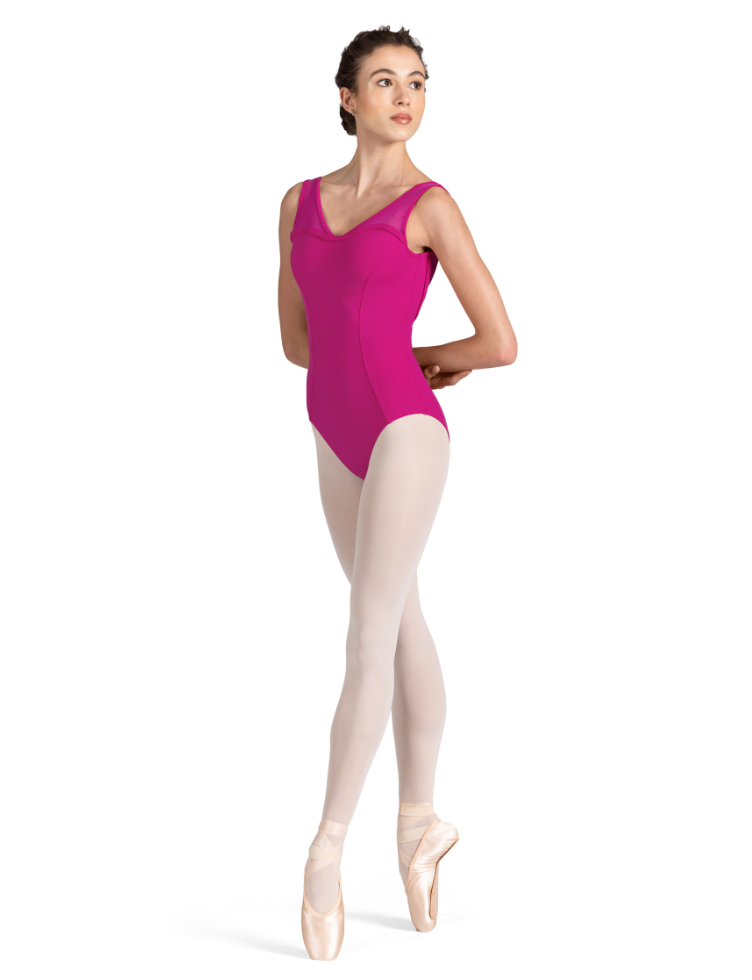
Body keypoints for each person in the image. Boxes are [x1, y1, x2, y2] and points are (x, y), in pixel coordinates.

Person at [277, 25, 517, 960]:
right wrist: (370, 354)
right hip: (332, 427)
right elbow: (297, 342)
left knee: (369, 628)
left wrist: (422, 361)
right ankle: (421, 824)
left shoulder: (431, 205)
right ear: (346, 98)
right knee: (400, 618)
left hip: (405, 426)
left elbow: (500, 341)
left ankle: (326, 849)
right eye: (384, 81)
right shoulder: (298, 203)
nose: (405, 96)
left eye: (417, 81)